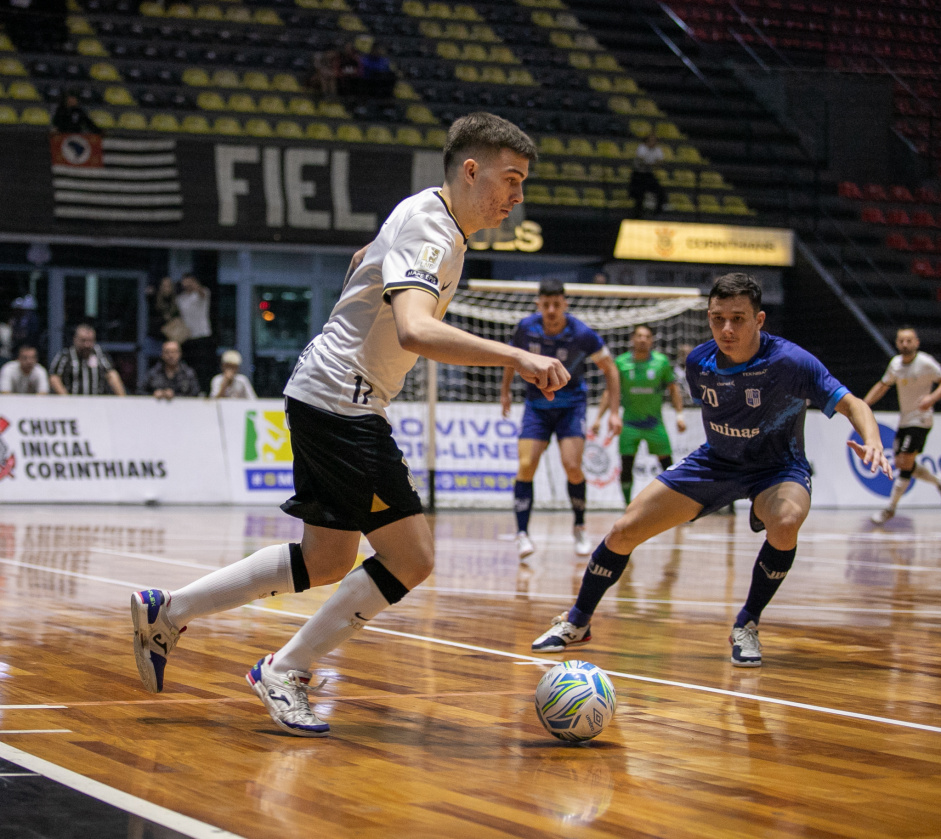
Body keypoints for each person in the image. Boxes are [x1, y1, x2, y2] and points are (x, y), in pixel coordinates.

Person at [130, 112, 569, 737]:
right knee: (412, 558)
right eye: (511, 179)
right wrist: (516, 354)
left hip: (325, 393)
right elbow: (416, 328)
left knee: (328, 557)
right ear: (471, 171)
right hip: (343, 403)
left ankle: (167, 613)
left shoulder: (427, 213)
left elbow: (365, 257)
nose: (518, 197)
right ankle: (285, 670)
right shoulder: (433, 231)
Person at [530, 272, 891, 667]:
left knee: (786, 521)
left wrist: (872, 440)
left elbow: (854, 403)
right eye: (717, 318)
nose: (726, 328)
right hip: (716, 462)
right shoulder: (699, 362)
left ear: (760, 320)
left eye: (737, 318)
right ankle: (578, 621)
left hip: (777, 468)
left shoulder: (790, 362)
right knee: (622, 531)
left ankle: (747, 623)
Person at [500, 278, 622, 559]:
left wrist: (614, 412)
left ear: (565, 304)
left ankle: (579, 526)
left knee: (572, 467)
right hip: (536, 406)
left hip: (571, 407)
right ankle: (522, 534)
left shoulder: (581, 333)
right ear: (538, 304)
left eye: (557, 304)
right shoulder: (526, 327)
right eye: (546, 304)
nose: (552, 310)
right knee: (526, 465)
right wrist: (505, 392)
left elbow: (610, 369)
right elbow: (511, 358)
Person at [592, 324, 687, 505]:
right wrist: (598, 418)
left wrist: (680, 415)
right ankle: (628, 507)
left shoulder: (661, 362)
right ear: (632, 339)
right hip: (629, 424)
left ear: (651, 340)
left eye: (647, 336)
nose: (643, 339)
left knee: (668, 466)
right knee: (626, 466)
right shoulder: (621, 363)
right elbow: (610, 391)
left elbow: (673, 390)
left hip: (655, 423)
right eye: (639, 336)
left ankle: (678, 505)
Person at [864, 326, 941, 524]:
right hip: (905, 420)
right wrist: (863, 405)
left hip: (921, 420)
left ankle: (890, 508)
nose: (905, 344)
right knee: (902, 464)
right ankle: (937, 482)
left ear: (916, 342)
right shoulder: (895, 364)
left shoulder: (925, 363)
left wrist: (931, 399)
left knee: (905, 462)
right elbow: (883, 385)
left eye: (909, 340)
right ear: (897, 343)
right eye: (901, 341)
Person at [49, 324, 126, 396]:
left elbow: (111, 375)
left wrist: (122, 399)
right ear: (75, 339)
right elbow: (54, 378)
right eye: (83, 340)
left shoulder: (100, 354)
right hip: (73, 403)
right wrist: (66, 398)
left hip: (97, 403)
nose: (87, 345)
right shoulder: (65, 356)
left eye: (90, 341)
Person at [176, 273, 213, 394]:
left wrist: (194, 284)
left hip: (202, 335)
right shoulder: (180, 298)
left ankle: (203, 390)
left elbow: (202, 293)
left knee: (203, 366)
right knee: (188, 366)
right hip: (187, 336)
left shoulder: (202, 293)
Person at [145, 277, 185, 361]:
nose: (166, 288)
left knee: (169, 363)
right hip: (154, 337)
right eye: (164, 286)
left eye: (168, 286)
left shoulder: (175, 302)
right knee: (154, 363)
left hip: (168, 338)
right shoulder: (154, 299)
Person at [629, 133, 666, 219]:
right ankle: (637, 216)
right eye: (651, 140)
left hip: (648, 174)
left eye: (655, 140)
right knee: (639, 196)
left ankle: (657, 214)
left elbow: (660, 162)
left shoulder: (657, 150)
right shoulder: (642, 148)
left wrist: (649, 164)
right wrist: (652, 164)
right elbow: (641, 162)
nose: (653, 142)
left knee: (660, 193)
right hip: (638, 175)